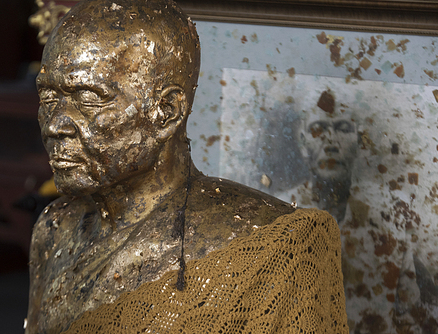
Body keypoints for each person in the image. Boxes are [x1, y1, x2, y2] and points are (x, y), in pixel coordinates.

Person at [25, 0, 347, 333]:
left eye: (89, 98)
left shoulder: (277, 242)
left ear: (166, 112)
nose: (54, 125)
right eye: (49, 98)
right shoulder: (54, 229)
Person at [296, 89, 358, 224]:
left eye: (342, 129)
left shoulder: (377, 207)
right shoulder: (286, 207)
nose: (331, 142)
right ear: (303, 143)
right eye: (317, 129)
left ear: (358, 141)